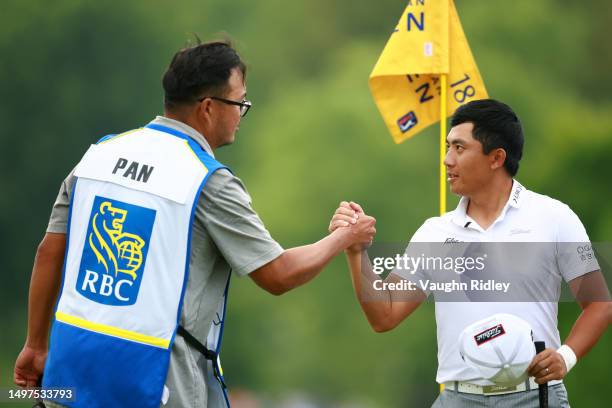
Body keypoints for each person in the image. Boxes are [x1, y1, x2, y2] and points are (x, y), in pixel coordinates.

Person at [13, 39, 377, 408]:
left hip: (69, 372)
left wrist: (35, 344)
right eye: (240, 104)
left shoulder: (98, 155)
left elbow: (49, 251)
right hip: (152, 382)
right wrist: (346, 236)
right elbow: (278, 274)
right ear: (207, 108)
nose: (241, 114)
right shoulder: (208, 180)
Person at [329, 99, 610, 407]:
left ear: (496, 158)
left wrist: (565, 357)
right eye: (448, 148)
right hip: (457, 398)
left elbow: (599, 304)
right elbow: (384, 314)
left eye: (460, 149)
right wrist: (356, 252)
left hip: (536, 396)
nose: (448, 160)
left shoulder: (555, 217)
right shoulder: (435, 232)